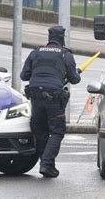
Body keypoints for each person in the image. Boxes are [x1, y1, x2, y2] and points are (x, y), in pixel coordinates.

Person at [20, 26, 81, 178]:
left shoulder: (35, 52)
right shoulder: (65, 55)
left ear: (49, 38)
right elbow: (74, 79)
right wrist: (76, 72)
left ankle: (47, 165)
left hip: (35, 97)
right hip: (54, 98)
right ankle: (46, 164)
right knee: (57, 131)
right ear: (62, 38)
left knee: (40, 131)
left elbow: (24, 76)